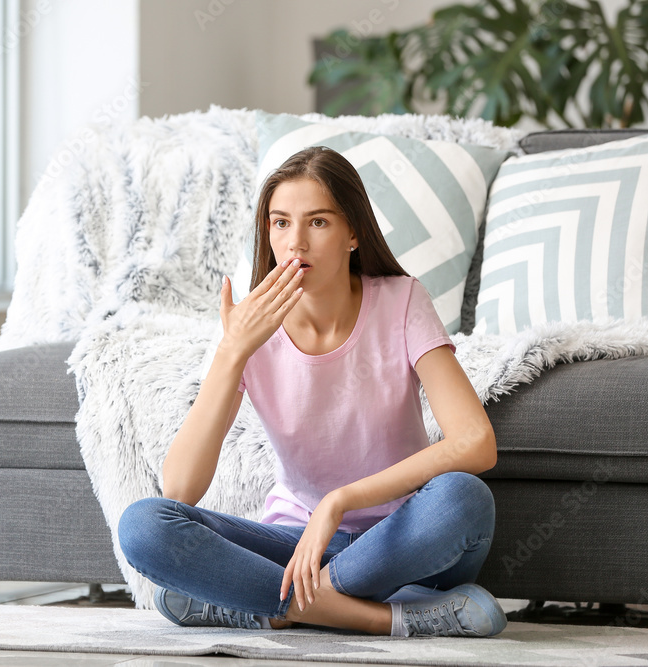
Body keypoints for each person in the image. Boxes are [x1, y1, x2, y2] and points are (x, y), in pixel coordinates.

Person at [117, 146, 506, 638]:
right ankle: (383, 617)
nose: (295, 242)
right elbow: (180, 490)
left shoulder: (402, 300)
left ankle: (268, 604)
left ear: (352, 234)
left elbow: (475, 442)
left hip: (402, 537)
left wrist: (338, 501)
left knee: (463, 499)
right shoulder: (248, 331)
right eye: (280, 223)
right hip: (297, 546)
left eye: (317, 222)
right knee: (144, 525)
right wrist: (232, 352)